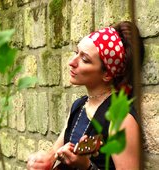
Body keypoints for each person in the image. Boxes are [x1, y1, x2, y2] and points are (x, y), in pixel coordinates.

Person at [27, 21, 145, 170]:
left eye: (84, 59)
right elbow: (54, 153)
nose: (71, 62)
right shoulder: (79, 106)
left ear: (107, 74)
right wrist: (44, 161)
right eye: (77, 53)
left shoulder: (120, 118)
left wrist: (87, 167)